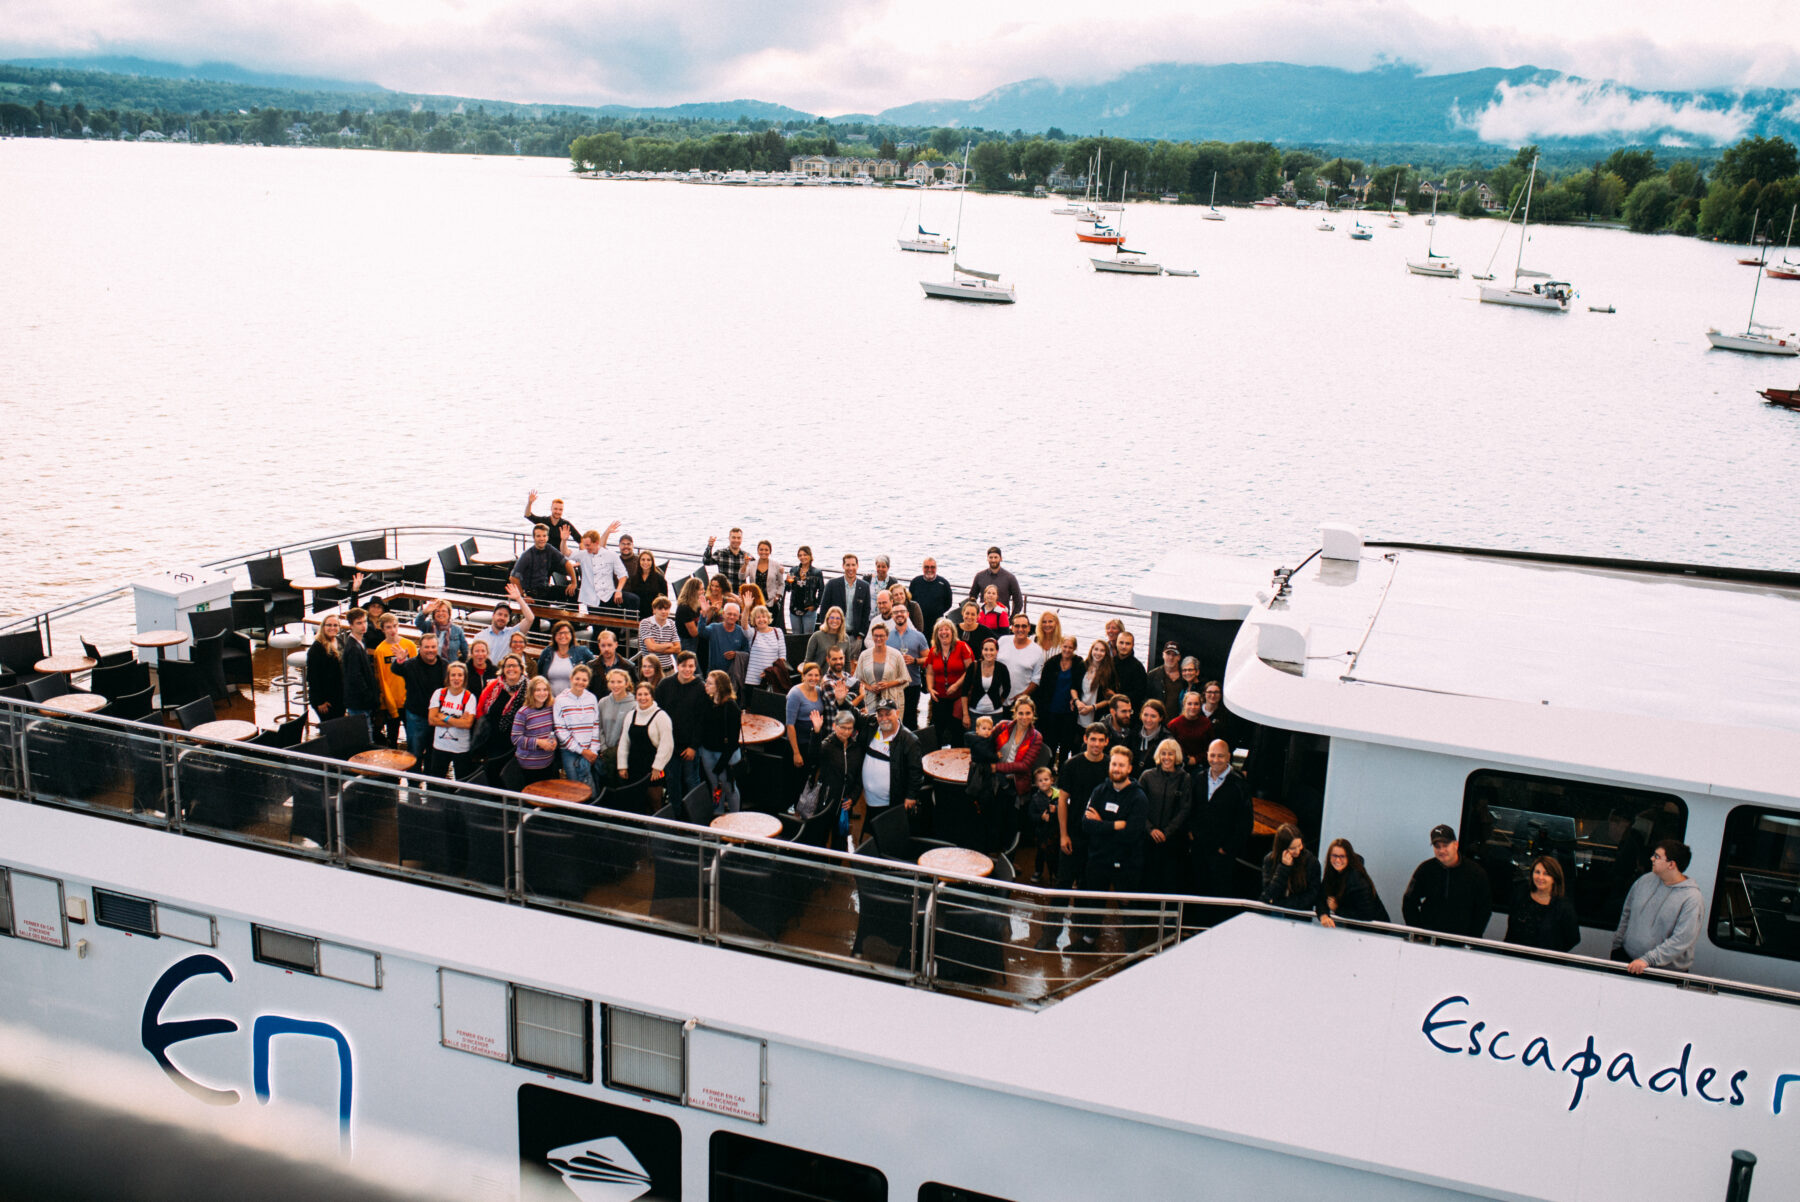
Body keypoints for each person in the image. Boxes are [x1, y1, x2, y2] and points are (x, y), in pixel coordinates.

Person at [1079, 746, 1149, 948]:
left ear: (1129, 768)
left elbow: (1131, 833)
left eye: (1121, 765)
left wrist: (1100, 824)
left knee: (1127, 904)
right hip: (1098, 858)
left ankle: (1131, 949)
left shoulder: (1138, 798)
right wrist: (1114, 825)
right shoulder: (1100, 790)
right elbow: (1086, 824)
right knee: (1094, 901)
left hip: (1126, 861)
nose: (1116, 768)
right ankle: (1088, 939)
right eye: (1114, 764)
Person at [1611, 839, 1703, 973]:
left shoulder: (1692, 898)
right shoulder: (1644, 881)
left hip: (1662, 971)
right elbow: (1627, 914)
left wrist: (1647, 960)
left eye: (1657, 856)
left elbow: (1682, 939)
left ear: (1671, 864)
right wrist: (1617, 944)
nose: (1652, 858)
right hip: (1627, 959)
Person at [1402, 824, 1495, 938]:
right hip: (1428, 940)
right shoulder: (1425, 869)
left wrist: (1471, 939)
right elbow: (1408, 902)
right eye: (1437, 847)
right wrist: (1417, 933)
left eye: (1445, 845)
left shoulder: (1476, 873)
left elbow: (1484, 910)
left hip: (1461, 942)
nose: (1442, 850)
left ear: (1456, 845)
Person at [1189, 739, 1251, 898]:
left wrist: (1227, 848)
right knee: (1197, 889)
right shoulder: (1199, 778)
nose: (1216, 760)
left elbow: (1245, 822)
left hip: (1221, 853)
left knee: (1218, 893)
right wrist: (1192, 833)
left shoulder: (1239, 784)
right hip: (1199, 848)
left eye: (1220, 756)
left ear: (1228, 757)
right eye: (1213, 755)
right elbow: (1191, 808)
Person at [861, 698, 924, 834]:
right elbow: (854, 714)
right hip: (870, 800)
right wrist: (842, 700)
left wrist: (911, 796)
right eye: (880, 715)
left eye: (888, 714)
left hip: (891, 802)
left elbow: (916, 772)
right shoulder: (872, 726)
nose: (884, 718)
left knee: (889, 834)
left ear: (898, 713)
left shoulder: (909, 740)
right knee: (874, 833)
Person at [990, 697, 1045, 850]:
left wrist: (997, 767)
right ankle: (990, 851)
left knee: (1010, 822)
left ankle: (1006, 855)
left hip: (1016, 783)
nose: (1024, 717)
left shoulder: (1036, 737)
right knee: (992, 816)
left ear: (1033, 714)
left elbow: (1024, 766)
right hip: (994, 779)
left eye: (1028, 713)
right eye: (1020, 713)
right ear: (1015, 713)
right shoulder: (1002, 726)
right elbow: (986, 742)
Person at [1139, 738, 1193, 894]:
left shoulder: (1185, 778)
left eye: (1171, 754)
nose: (1167, 758)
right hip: (1148, 838)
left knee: (1169, 880)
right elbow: (1139, 806)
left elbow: (1185, 808)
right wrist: (1150, 829)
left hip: (1172, 840)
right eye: (1163, 753)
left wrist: (1167, 832)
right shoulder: (1147, 776)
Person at [654, 650, 707, 799]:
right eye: (684, 666)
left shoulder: (701, 688)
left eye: (691, 666)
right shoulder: (665, 685)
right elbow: (658, 713)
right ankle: (675, 814)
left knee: (691, 780)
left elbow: (701, 720)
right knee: (672, 781)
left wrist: (693, 747)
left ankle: (695, 816)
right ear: (677, 665)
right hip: (669, 745)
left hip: (690, 746)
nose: (687, 669)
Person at [1505, 855, 1580, 951]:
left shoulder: (1564, 907)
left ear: (1554, 878)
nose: (1540, 877)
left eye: (1546, 874)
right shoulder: (1521, 894)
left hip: (1545, 962)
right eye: (1537, 872)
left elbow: (1573, 939)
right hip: (1512, 956)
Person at [617, 680, 674, 807]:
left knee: (655, 802)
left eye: (646, 694)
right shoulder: (631, 715)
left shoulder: (661, 717)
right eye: (639, 694)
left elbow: (667, 745)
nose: (643, 698)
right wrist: (622, 765)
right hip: (634, 767)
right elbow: (624, 741)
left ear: (652, 696)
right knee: (636, 802)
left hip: (653, 769)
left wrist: (657, 768)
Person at [814, 710, 863, 851]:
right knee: (820, 837)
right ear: (835, 726)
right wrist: (816, 733)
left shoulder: (856, 749)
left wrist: (853, 798)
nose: (846, 732)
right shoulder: (827, 746)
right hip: (826, 801)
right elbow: (813, 756)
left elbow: (859, 777)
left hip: (845, 804)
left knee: (841, 840)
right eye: (842, 728)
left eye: (849, 728)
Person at [392, 632, 447, 757]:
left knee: (433, 753)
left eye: (433, 647)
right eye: (426, 647)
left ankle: (429, 775)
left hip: (437, 717)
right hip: (416, 716)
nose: (430, 650)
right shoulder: (411, 664)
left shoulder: (444, 664)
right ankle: (413, 776)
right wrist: (399, 660)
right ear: (420, 648)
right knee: (414, 752)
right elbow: (396, 669)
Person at [1318, 838, 1390, 928]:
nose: (1337, 860)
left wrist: (1337, 909)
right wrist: (1323, 915)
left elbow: (1367, 914)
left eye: (1342, 856)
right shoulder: (1331, 873)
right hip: (1353, 926)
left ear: (1349, 857)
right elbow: (1322, 897)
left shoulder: (1357, 879)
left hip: (1374, 930)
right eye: (1334, 856)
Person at [427, 661, 480, 780]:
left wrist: (445, 717)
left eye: (460, 675)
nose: (456, 678)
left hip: (460, 748)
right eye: (453, 675)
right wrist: (457, 721)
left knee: (461, 782)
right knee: (435, 781)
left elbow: (467, 724)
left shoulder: (469, 697)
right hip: (440, 746)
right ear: (448, 677)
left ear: (464, 678)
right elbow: (432, 720)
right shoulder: (439, 693)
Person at [924, 619, 972, 747]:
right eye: (940, 630)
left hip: (958, 696)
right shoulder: (933, 650)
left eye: (947, 629)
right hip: (939, 696)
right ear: (936, 633)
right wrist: (930, 688)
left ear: (952, 632)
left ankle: (957, 759)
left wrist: (956, 685)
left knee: (956, 730)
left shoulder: (962, 646)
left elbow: (971, 670)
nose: (944, 632)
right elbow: (929, 672)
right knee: (937, 729)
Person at [699, 670, 742, 813]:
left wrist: (721, 765)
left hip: (725, 755)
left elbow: (733, 742)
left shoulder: (731, 708)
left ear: (719, 686)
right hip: (707, 751)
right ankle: (718, 816)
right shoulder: (707, 701)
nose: (706, 685)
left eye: (710, 683)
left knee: (728, 787)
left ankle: (735, 818)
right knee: (715, 786)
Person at [552, 663, 601, 788]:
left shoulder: (592, 698)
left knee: (592, 785)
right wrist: (581, 751)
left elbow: (596, 725)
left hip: (590, 750)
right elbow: (560, 730)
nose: (580, 682)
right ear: (571, 678)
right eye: (577, 679)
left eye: (584, 680)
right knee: (576, 787)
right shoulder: (560, 700)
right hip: (570, 751)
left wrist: (593, 750)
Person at [372, 613, 417, 748]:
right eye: (388, 627)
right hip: (391, 701)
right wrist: (390, 705)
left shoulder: (409, 645)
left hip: (409, 700)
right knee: (392, 738)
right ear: (382, 629)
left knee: (413, 738)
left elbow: (416, 673)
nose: (392, 630)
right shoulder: (380, 650)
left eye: (395, 626)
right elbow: (382, 679)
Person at [509, 674, 561, 785]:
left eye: (545, 689)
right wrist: (539, 742)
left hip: (548, 762)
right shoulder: (523, 713)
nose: (542, 693)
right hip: (529, 766)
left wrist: (554, 739)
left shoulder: (550, 708)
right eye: (538, 690)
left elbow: (554, 729)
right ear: (531, 692)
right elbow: (515, 738)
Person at [477, 653, 529, 766]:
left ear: (521, 668)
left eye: (514, 665)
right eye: (507, 666)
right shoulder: (494, 686)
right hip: (494, 743)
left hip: (519, 745)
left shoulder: (529, 689)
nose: (511, 669)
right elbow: (481, 709)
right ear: (503, 669)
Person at [1036, 636, 1082, 761]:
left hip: (1069, 711)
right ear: (1061, 646)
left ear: (1075, 648)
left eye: (1070, 647)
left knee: (1066, 743)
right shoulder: (1052, 663)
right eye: (1065, 646)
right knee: (1051, 741)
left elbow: (1080, 684)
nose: (1067, 650)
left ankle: (1062, 769)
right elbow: (1043, 687)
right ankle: (1048, 769)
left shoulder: (1079, 664)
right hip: (1052, 709)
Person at [1259, 825, 1321, 913]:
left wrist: (1284, 905)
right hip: (1274, 911)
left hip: (1298, 913)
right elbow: (1269, 893)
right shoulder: (1269, 860)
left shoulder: (1311, 861)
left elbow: (1312, 894)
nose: (1297, 851)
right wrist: (1283, 868)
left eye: (1299, 845)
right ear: (1282, 848)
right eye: (1292, 848)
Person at [854, 622, 910, 716]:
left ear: (887, 637)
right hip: (870, 700)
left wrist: (888, 684)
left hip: (891, 699)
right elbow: (857, 679)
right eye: (876, 636)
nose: (878, 638)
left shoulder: (896, 655)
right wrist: (870, 687)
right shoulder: (864, 655)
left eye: (881, 636)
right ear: (872, 637)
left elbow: (904, 678)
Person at [887, 603, 928, 726]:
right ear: (892, 616)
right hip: (893, 684)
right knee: (893, 718)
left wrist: (915, 661)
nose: (899, 614)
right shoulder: (887, 636)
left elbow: (928, 658)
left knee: (910, 719)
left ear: (907, 614)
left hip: (912, 684)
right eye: (895, 612)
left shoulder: (918, 636)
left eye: (902, 611)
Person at [569, 526, 628, 612]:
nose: (586, 547)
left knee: (632, 600)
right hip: (591, 596)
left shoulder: (610, 554)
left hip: (608, 594)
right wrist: (563, 540)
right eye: (585, 545)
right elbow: (566, 553)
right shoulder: (584, 555)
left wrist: (618, 590)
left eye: (588, 545)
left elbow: (623, 574)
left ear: (596, 543)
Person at [508, 524, 569, 605]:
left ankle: (576, 617)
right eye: (538, 536)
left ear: (547, 537)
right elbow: (513, 578)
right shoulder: (527, 555)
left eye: (544, 536)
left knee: (572, 593)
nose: (542, 539)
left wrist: (574, 583)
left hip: (545, 589)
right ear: (534, 537)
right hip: (531, 593)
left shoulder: (549, 549)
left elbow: (566, 563)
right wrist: (523, 596)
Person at [471, 587, 535, 662]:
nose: (502, 618)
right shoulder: (480, 636)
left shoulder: (513, 633)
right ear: (493, 616)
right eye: (500, 614)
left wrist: (519, 598)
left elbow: (530, 618)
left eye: (505, 616)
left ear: (508, 619)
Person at [340, 607, 381, 722]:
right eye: (359, 623)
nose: (363, 626)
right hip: (359, 702)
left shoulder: (360, 642)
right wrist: (369, 696)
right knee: (364, 734)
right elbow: (355, 677)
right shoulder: (353, 648)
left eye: (365, 622)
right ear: (351, 626)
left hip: (361, 701)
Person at [784, 660, 827, 770]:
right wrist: (796, 753)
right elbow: (790, 725)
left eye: (817, 675)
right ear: (803, 676)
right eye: (810, 675)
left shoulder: (819, 691)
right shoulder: (795, 694)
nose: (814, 678)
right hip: (800, 743)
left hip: (815, 741)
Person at [996, 612, 1044, 706]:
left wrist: (1022, 695)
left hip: (1018, 703)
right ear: (1012, 627)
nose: (1020, 629)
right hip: (996, 698)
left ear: (1029, 628)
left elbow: (1036, 679)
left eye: (1024, 626)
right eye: (1017, 626)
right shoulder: (1002, 641)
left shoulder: (1037, 651)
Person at [535, 620, 594, 697]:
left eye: (566, 633)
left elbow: (594, 667)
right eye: (559, 633)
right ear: (554, 636)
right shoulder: (547, 652)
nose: (563, 636)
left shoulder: (582, 651)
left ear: (572, 635)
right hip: (550, 700)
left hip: (574, 700)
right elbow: (539, 674)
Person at [1027, 766, 1064, 886]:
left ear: (1052, 780)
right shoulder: (1035, 798)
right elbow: (1031, 815)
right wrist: (1041, 818)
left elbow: (1066, 811)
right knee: (1041, 853)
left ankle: (1056, 873)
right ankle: (1038, 871)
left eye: (1046, 779)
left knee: (1055, 853)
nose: (1043, 782)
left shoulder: (1059, 795)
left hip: (1056, 831)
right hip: (1042, 832)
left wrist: (1057, 810)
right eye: (1040, 780)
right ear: (1036, 783)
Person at [305, 613, 346, 722]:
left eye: (335, 625)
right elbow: (312, 678)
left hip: (338, 695)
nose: (332, 628)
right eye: (329, 625)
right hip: (325, 699)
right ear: (323, 627)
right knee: (330, 728)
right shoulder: (316, 649)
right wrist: (319, 701)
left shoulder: (339, 641)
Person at [962, 638, 1011, 727]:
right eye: (986, 649)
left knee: (994, 740)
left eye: (992, 650)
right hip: (975, 714)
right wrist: (965, 715)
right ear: (982, 651)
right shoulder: (973, 666)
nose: (988, 653)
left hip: (995, 714)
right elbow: (964, 691)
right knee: (976, 739)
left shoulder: (1002, 668)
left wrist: (998, 702)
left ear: (997, 651)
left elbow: (1007, 688)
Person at [819, 553, 872, 636]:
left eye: (853, 565)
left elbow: (866, 611)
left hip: (855, 636)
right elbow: (824, 609)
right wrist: (826, 631)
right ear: (843, 566)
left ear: (857, 566)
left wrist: (861, 634)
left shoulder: (864, 586)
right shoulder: (832, 584)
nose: (850, 568)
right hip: (834, 633)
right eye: (847, 565)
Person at [595, 668, 636, 772]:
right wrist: (604, 748)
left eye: (619, 682)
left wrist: (618, 751)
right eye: (612, 682)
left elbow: (631, 732)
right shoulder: (602, 702)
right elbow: (599, 727)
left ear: (626, 684)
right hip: (604, 753)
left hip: (624, 754)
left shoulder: (634, 705)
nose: (615, 685)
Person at [968, 546, 1025, 617]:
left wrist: (1011, 620)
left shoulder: (1010, 578)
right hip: (983, 618)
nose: (993, 560)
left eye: (996, 557)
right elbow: (972, 597)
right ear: (987, 558)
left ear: (1001, 559)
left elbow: (1018, 602)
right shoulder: (979, 576)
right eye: (991, 557)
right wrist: (975, 614)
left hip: (1002, 619)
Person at [803, 605, 860, 673]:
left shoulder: (845, 638)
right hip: (819, 677)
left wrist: (848, 680)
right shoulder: (816, 636)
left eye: (838, 618)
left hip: (838, 679)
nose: (834, 621)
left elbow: (847, 663)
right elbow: (807, 661)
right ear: (827, 619)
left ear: (842, 621)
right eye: (832, 617)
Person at [818, 645, 863, 730]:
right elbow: (843, 710)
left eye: (841, 658)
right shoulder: (827, 682)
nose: (838, 661)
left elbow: (855, 705)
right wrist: (861, 697)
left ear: (844, 658)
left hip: (851, 730)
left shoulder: (848, 676)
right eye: (834, 659)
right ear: (828, 660)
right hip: (836, 732)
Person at [1074, 640, 1117, 729]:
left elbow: (1110, 699)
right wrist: (1077, 701)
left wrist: (1093, 707)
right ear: (1091, 650)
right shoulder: (1083, 665)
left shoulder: (1109, 671)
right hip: (1079, 711)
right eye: (1096, 649)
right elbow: (1073, 687)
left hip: (1096, 714)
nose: (1098, 653)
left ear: (1106, 653)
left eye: (1102, 650)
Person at [703, 602, 749, 682]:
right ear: (723, 614)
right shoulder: (714, 627)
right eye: (729, 614)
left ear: (739, 616)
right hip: (714, 673)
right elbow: (701, 632)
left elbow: (747, 652)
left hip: (732, 676)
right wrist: (704, 614)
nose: (732, 617)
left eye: (735, 615)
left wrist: (736, 654)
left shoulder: (742, 632)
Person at [1167, 689, 1214, 768]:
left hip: (1201, 765)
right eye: (1189, 704)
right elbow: (1168, 747)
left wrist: (1196, 759)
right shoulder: (1174, 724)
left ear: (1200, 706)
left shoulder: (1206, 723)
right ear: (1184, 704)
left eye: (1196, 704)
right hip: (1178, 765)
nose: (1193, 707)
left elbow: (1211, 748)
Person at [742, 604, 786, 688]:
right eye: (758, 617)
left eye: (764, 617)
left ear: (768, 618)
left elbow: (782, 657)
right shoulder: (752, 633)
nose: (761, 619)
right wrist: (747, 607)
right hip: (753, 680)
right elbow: (744, 625)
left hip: (772, 678)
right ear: (754, 620)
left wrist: (770, 672)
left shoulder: (778, 632)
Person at [784, 546, 824, 636]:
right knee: (796, 635)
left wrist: (815, 605)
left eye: (805, 555)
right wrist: (787, 582)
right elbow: (788, 589)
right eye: (800, 555)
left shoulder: (816, 572)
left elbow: (822, 591)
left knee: (807, 637)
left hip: (809, 610)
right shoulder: (794, 570)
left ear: (810, 556)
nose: (802, 557)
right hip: (794, 609)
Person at [909, 557, 954, 632]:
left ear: (936, 568)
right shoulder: (915, 582)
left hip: (937, 622)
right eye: (926, 567)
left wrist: (938, 611)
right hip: (918, 622)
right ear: (922, 568)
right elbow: (910, 601)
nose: (929, 570)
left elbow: (948, 603)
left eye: (932, 567)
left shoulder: (944, 583)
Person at [748, 540, 786, 627]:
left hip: (771, 602)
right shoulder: (752, 565)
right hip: (756, 602)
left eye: (766, 550)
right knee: (755, 627)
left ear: (770, 551)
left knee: (771, 627)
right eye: (761, 549)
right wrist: (745, 564)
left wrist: (778, 596)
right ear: (758, 551)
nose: (763, 552)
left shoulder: (776, 565)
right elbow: (741, 577)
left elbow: (781, 584)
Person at [638, 595, 680, 672]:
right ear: (654, 610)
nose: (663, 611)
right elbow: (651, 648)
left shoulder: (672, 623)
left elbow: (678, 648)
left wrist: (656, 647)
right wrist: (668, 645)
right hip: (651, 670)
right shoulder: (645, 623)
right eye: (660, 608)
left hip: (669, 669)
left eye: (666, 608)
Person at [423, 598, 469, 664]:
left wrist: (458, 664)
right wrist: (425, 611)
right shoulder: (428, 626)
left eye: (443, 611)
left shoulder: (457, 630)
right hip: (429, 667)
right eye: (437, 611)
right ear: (434, 614)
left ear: (449, 614)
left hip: (449, 669)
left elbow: (465, 652)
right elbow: (418, 622)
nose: (440, 613)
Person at [626, 550, 668, 620]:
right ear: (639, 562)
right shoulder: (634, 578)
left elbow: (664, 599)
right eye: (643, 560)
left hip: (653, 614)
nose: (645, 562)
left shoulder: (660, 579)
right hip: (637, 614)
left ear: (652, 562)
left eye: (648, 560)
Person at [1129, 699, 1168, 774]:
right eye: (1145, 715)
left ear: (1161, 718)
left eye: (1153, 716)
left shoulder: (1166, 739)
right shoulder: (1133, 733)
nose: (1148, 719)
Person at [702, 527, 748, 592]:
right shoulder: (720, 553)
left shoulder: (746, 556)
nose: (736, 540)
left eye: (738, 538)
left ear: (742, 539)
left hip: (740, 593)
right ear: (729, 538)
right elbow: (706, 562)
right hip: (724, 592)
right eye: (733, 537)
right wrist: (709, 546)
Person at [1112, 631, 1148, 711]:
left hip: (1129, 711)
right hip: (1108, 708)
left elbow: (1140, 693)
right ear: (1116, 643)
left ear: (1133, 645)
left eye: (1127, 643)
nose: (1124, 646)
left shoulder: (1138, 667)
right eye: (1121, 643)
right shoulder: (1110, 663)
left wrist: (1116, 696)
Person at [673, 577, 707, 660]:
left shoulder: (697, 603)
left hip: (692, 641)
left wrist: (706, 612)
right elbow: (694, 633)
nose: (704, 591)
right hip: (685, 642)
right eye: (701, 589)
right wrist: (704, 614)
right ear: (693, 591)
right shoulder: (685, 608)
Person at [1151, 642, 1186, 715]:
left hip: (1179, 720)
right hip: (1158, 720)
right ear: (1163, 655)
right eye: (1168, 654)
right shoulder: (1152, 675)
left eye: (1174, 655)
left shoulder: (1185, 676)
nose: (1171, 657)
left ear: (1179, 657)